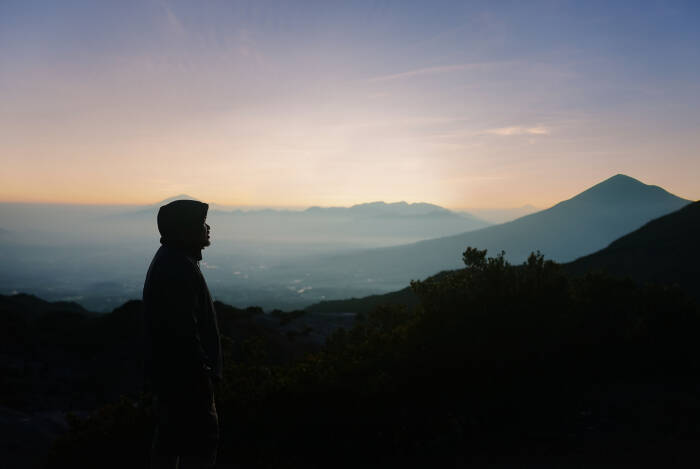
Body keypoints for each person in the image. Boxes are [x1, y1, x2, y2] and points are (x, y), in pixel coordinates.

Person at [143, 199, 222, 469]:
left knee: (171, 443)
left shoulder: (175, 261)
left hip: (175, 378)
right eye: (201, 224)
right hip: (187, 379)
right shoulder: (178, 268)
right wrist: (203, 371)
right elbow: (183, 332)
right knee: (199, 446)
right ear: (184, 230)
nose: (207, 228)